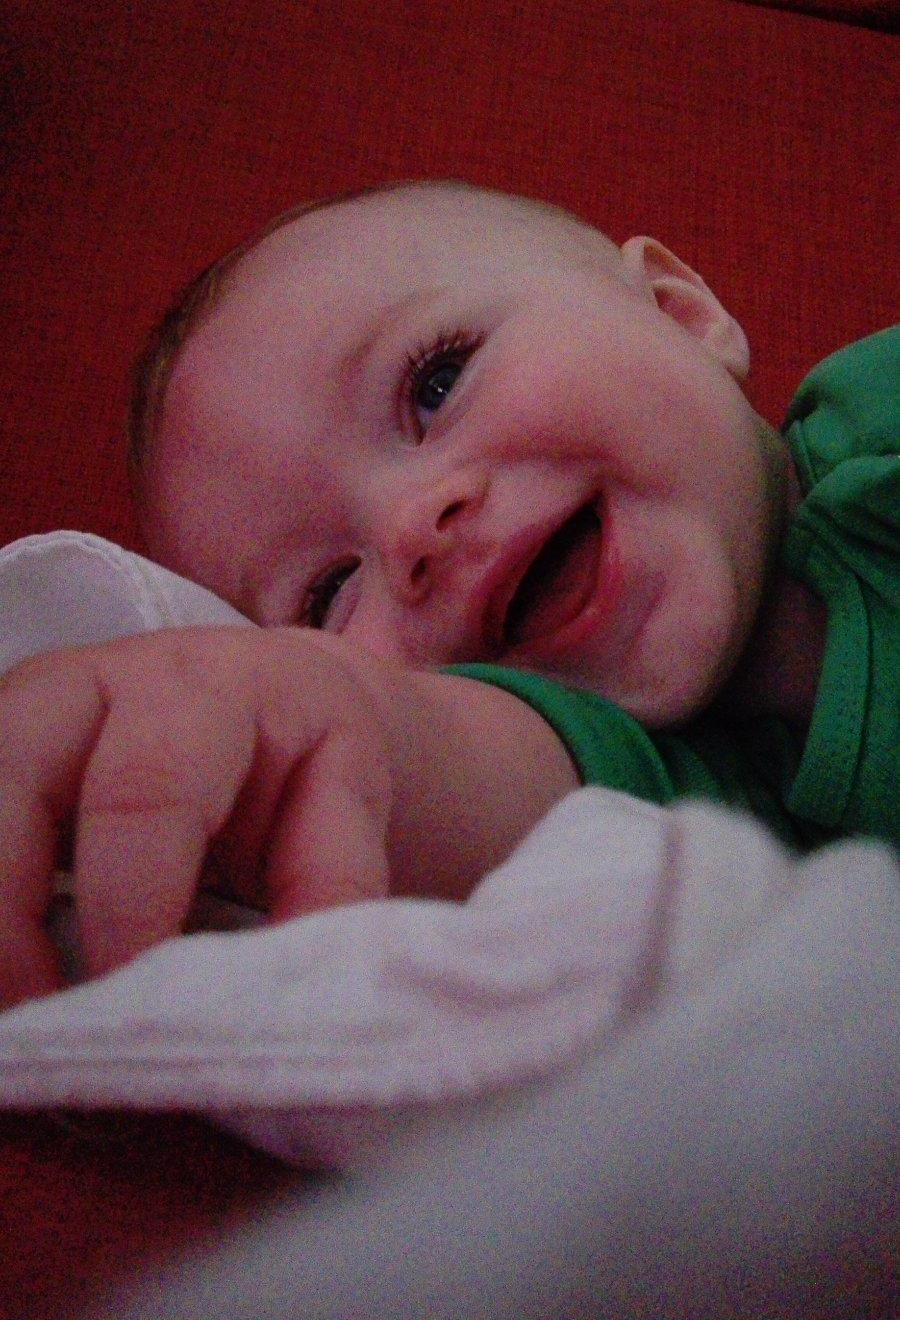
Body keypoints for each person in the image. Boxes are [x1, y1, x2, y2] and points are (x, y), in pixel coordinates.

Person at [0, 179, 896, 1008]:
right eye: (329, 593)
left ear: (678, 313)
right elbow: (413, 753)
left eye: (436, 383)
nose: (409, 530)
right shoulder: (660, 816)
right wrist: (255, 707)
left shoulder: (878, 422)